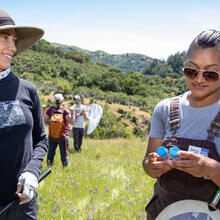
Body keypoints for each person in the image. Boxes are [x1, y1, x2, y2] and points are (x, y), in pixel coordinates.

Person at [142, 29, 220, 220]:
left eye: (210, 74)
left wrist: (210, 169)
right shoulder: (164, 109)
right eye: (191, 70)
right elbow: (147, 163)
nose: (198, 79)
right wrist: (152, 166)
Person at [0, 8, 48, 220]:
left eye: (14, 39)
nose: (13, 47)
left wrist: (32, 172)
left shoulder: (27, 89)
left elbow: (41, 139)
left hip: (23, 203)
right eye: (4, 37)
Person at [44, 93, 70, 167]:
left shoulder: (50, 110)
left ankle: (48, 168)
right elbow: (69, 122)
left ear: (54, 101)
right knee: (64, 154)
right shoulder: (65, 111)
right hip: (63, 135)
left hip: (52, 135)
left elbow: (44, 120)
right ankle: (66, 168)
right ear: (62, 100)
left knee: (50, 153)